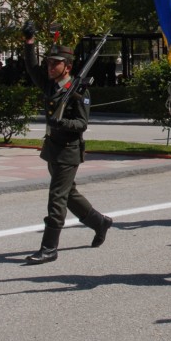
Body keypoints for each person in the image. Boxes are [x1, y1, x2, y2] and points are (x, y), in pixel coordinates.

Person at [22, 25, 112, 264]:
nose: (50, 67)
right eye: (49, 63)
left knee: (57, 197)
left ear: (68, 67)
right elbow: (32, 68)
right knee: (69, 194)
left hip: (68, 152)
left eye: (55, 64)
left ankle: (49, 247)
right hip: (53, 148)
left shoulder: (79, 91)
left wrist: (61, 122)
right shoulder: (51, 86)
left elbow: (82, 123)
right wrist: (29, 42)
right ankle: (99, 222)